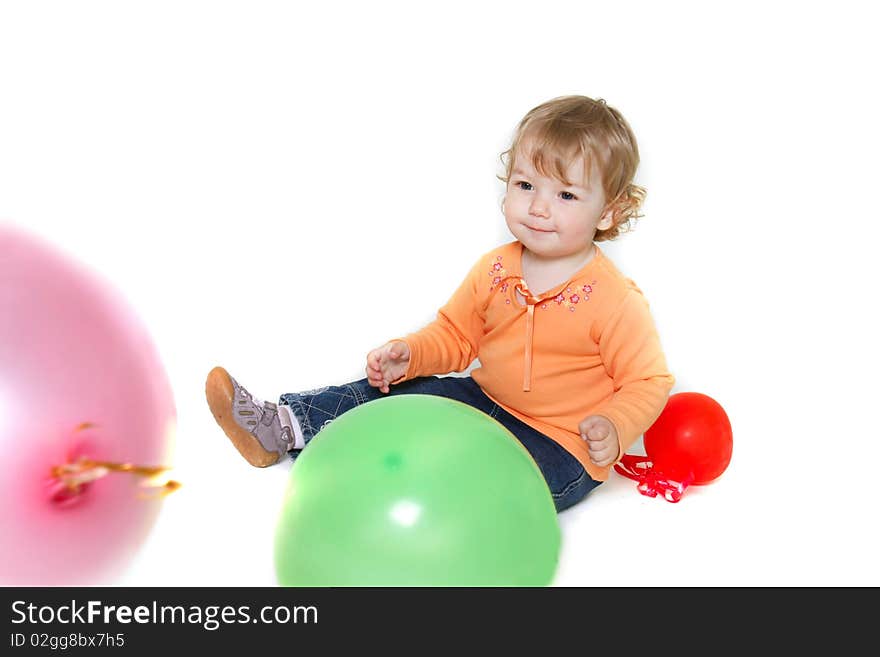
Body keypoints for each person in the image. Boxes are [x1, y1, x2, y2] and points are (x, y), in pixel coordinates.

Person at [206, 95, 674, 512]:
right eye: (526, 185)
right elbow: (456, 334)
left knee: (494, 478)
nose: (538, 208)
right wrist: (410, 354)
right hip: (482, 399)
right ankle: (282, 427)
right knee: (402, 396)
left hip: (559, 444)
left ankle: (416, 496)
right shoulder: (496, 269)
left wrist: (614, 425)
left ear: (609, 212)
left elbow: (648, 380)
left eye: (566, 194)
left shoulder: (615, 300)